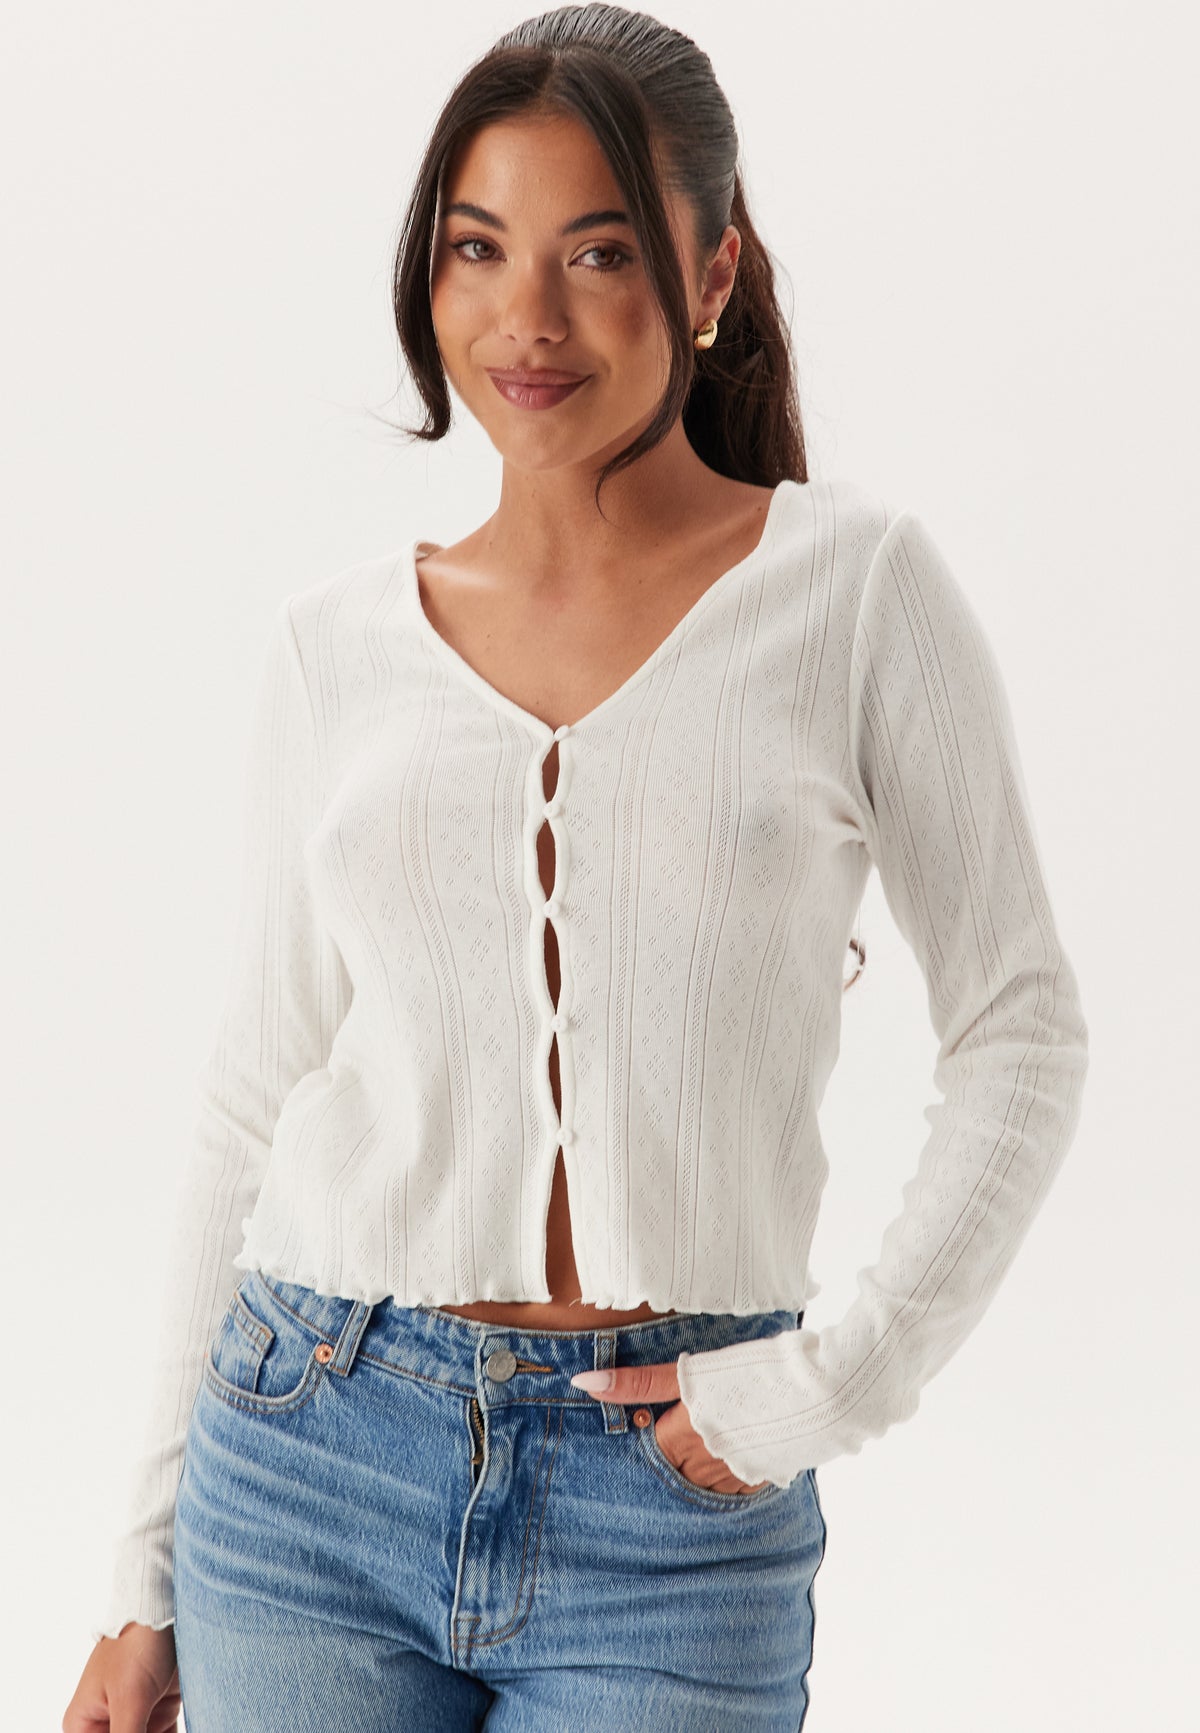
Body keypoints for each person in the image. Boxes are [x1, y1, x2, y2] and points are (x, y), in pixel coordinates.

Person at [63, 5, 1089, 1730]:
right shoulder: (334, 648)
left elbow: (1024, 1028)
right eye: (478, 249)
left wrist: (826, 1386)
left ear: (711, 273)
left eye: (597, 253)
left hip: (672, 1509)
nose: (524, 319)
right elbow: (252, 1091)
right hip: (310, 1455)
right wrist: (139, 1570)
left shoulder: (855, 595)